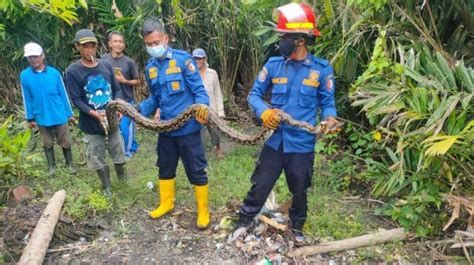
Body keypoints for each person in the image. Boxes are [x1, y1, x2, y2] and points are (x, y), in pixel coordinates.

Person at [235, 3, 339, 244]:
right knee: (260, 183)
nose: (279, 41)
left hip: (301, 145)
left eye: (284, 37)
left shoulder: (321, 70)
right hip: (275, 140)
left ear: (300, 40)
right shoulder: (273, 65)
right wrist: (264, 112)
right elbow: (254, 95)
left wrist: (329, 119)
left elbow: (328, 103)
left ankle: (297, 226)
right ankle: (243, 220)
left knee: (299, 188)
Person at [136, 18, 211, 229]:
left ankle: (203, 210)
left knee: (196, 170)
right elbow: (154, 99)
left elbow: (199, 91)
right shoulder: (150, 68)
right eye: (149, 44)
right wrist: (137, 109)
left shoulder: (183, 61)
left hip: (188, 129)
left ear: (166, 39)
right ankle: (166, 203)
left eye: (156, 42)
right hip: (166, 130)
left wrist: (202, 107)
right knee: (165, 167)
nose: (153, 47)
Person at [65, 29, 127, 195]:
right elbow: (76, 99)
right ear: (78, 47)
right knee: (97, 155)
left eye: (92, 46)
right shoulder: (73, 71)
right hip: (91, 123)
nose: (89, 50)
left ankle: (123, 180)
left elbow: (117, 89)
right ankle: (107, 186)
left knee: (118, 150)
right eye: (85, 46)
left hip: (112, 120)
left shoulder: (106, 65)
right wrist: (94, 114)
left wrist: (119, 106)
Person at [20, 42, 77, 176]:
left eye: (35, 56)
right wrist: (30, 117)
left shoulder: (54, 73)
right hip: (41, 114)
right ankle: (52, 166)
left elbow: (63, 94)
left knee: (65, 140)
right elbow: (26, 97)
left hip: (59, 112)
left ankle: (69, 164)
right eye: (30, 57)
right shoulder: (25, 75)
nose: (33, 59)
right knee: (47, 142)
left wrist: (69, 114)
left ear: (42, 56)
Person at [101, 31, 140, 158]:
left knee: (125, 127)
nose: (118, 44)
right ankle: (132, 145)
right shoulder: (103, 60)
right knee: (112, 128)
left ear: (124, 45)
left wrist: (125, 81)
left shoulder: (129, 62)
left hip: (126, 100)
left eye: (121, 41)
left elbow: (138, 81)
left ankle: (128, 152)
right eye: (115, 41)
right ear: (109, 43)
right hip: (109, 101)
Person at [192, 48, 225, 159]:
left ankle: (218, 148)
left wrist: (220, 112)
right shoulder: (191, 74)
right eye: (195, 58)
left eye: (200, 58)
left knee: (214, 131)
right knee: (199, 132)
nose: (197, 61)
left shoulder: (213, 73)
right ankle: (200, 153)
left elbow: (218, 93)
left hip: (212, 108)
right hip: (198, 109)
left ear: (204, 59)